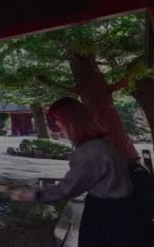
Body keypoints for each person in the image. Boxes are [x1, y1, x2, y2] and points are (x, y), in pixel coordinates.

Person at [17, 97, 152, 246]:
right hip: (129, 213)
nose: (56, 127)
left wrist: (36, 194)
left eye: (58, 121)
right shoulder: (106, 142)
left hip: (110, 217)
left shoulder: (90, 151)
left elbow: (69, 188)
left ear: (72, 122)